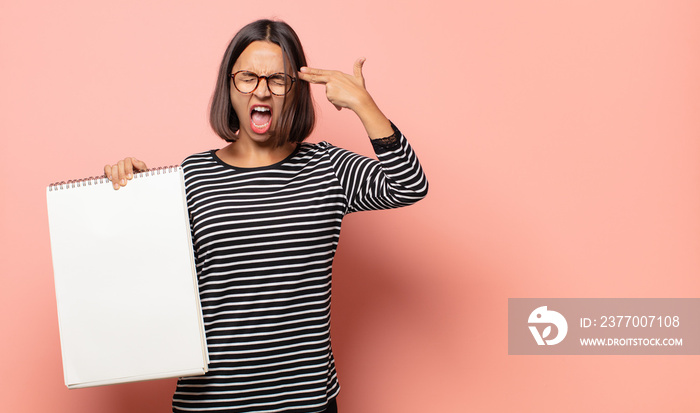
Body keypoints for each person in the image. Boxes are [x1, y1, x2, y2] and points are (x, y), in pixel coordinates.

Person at [104, 19, 428, 413]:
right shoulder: (191, 176)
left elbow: (409, 184)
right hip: (211, 402)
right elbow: (140, 277)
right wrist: (130, 196)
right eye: (248, 77)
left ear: (296, 91)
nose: (262, 89)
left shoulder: (327, 167)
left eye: (278, 80)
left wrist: (364, 104)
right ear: (229, 84)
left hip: (305, 402)